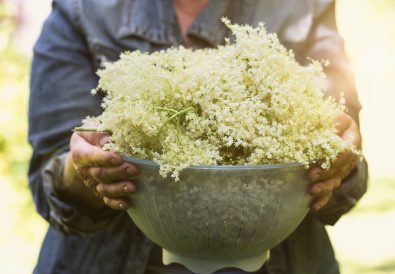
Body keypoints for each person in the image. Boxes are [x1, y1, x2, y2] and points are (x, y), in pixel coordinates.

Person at [28, 0, 368, 273]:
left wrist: (338, 158)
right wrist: (83, 169)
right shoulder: (81, 10)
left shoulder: (303, 7)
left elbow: (347, 159)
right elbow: (50, 182)